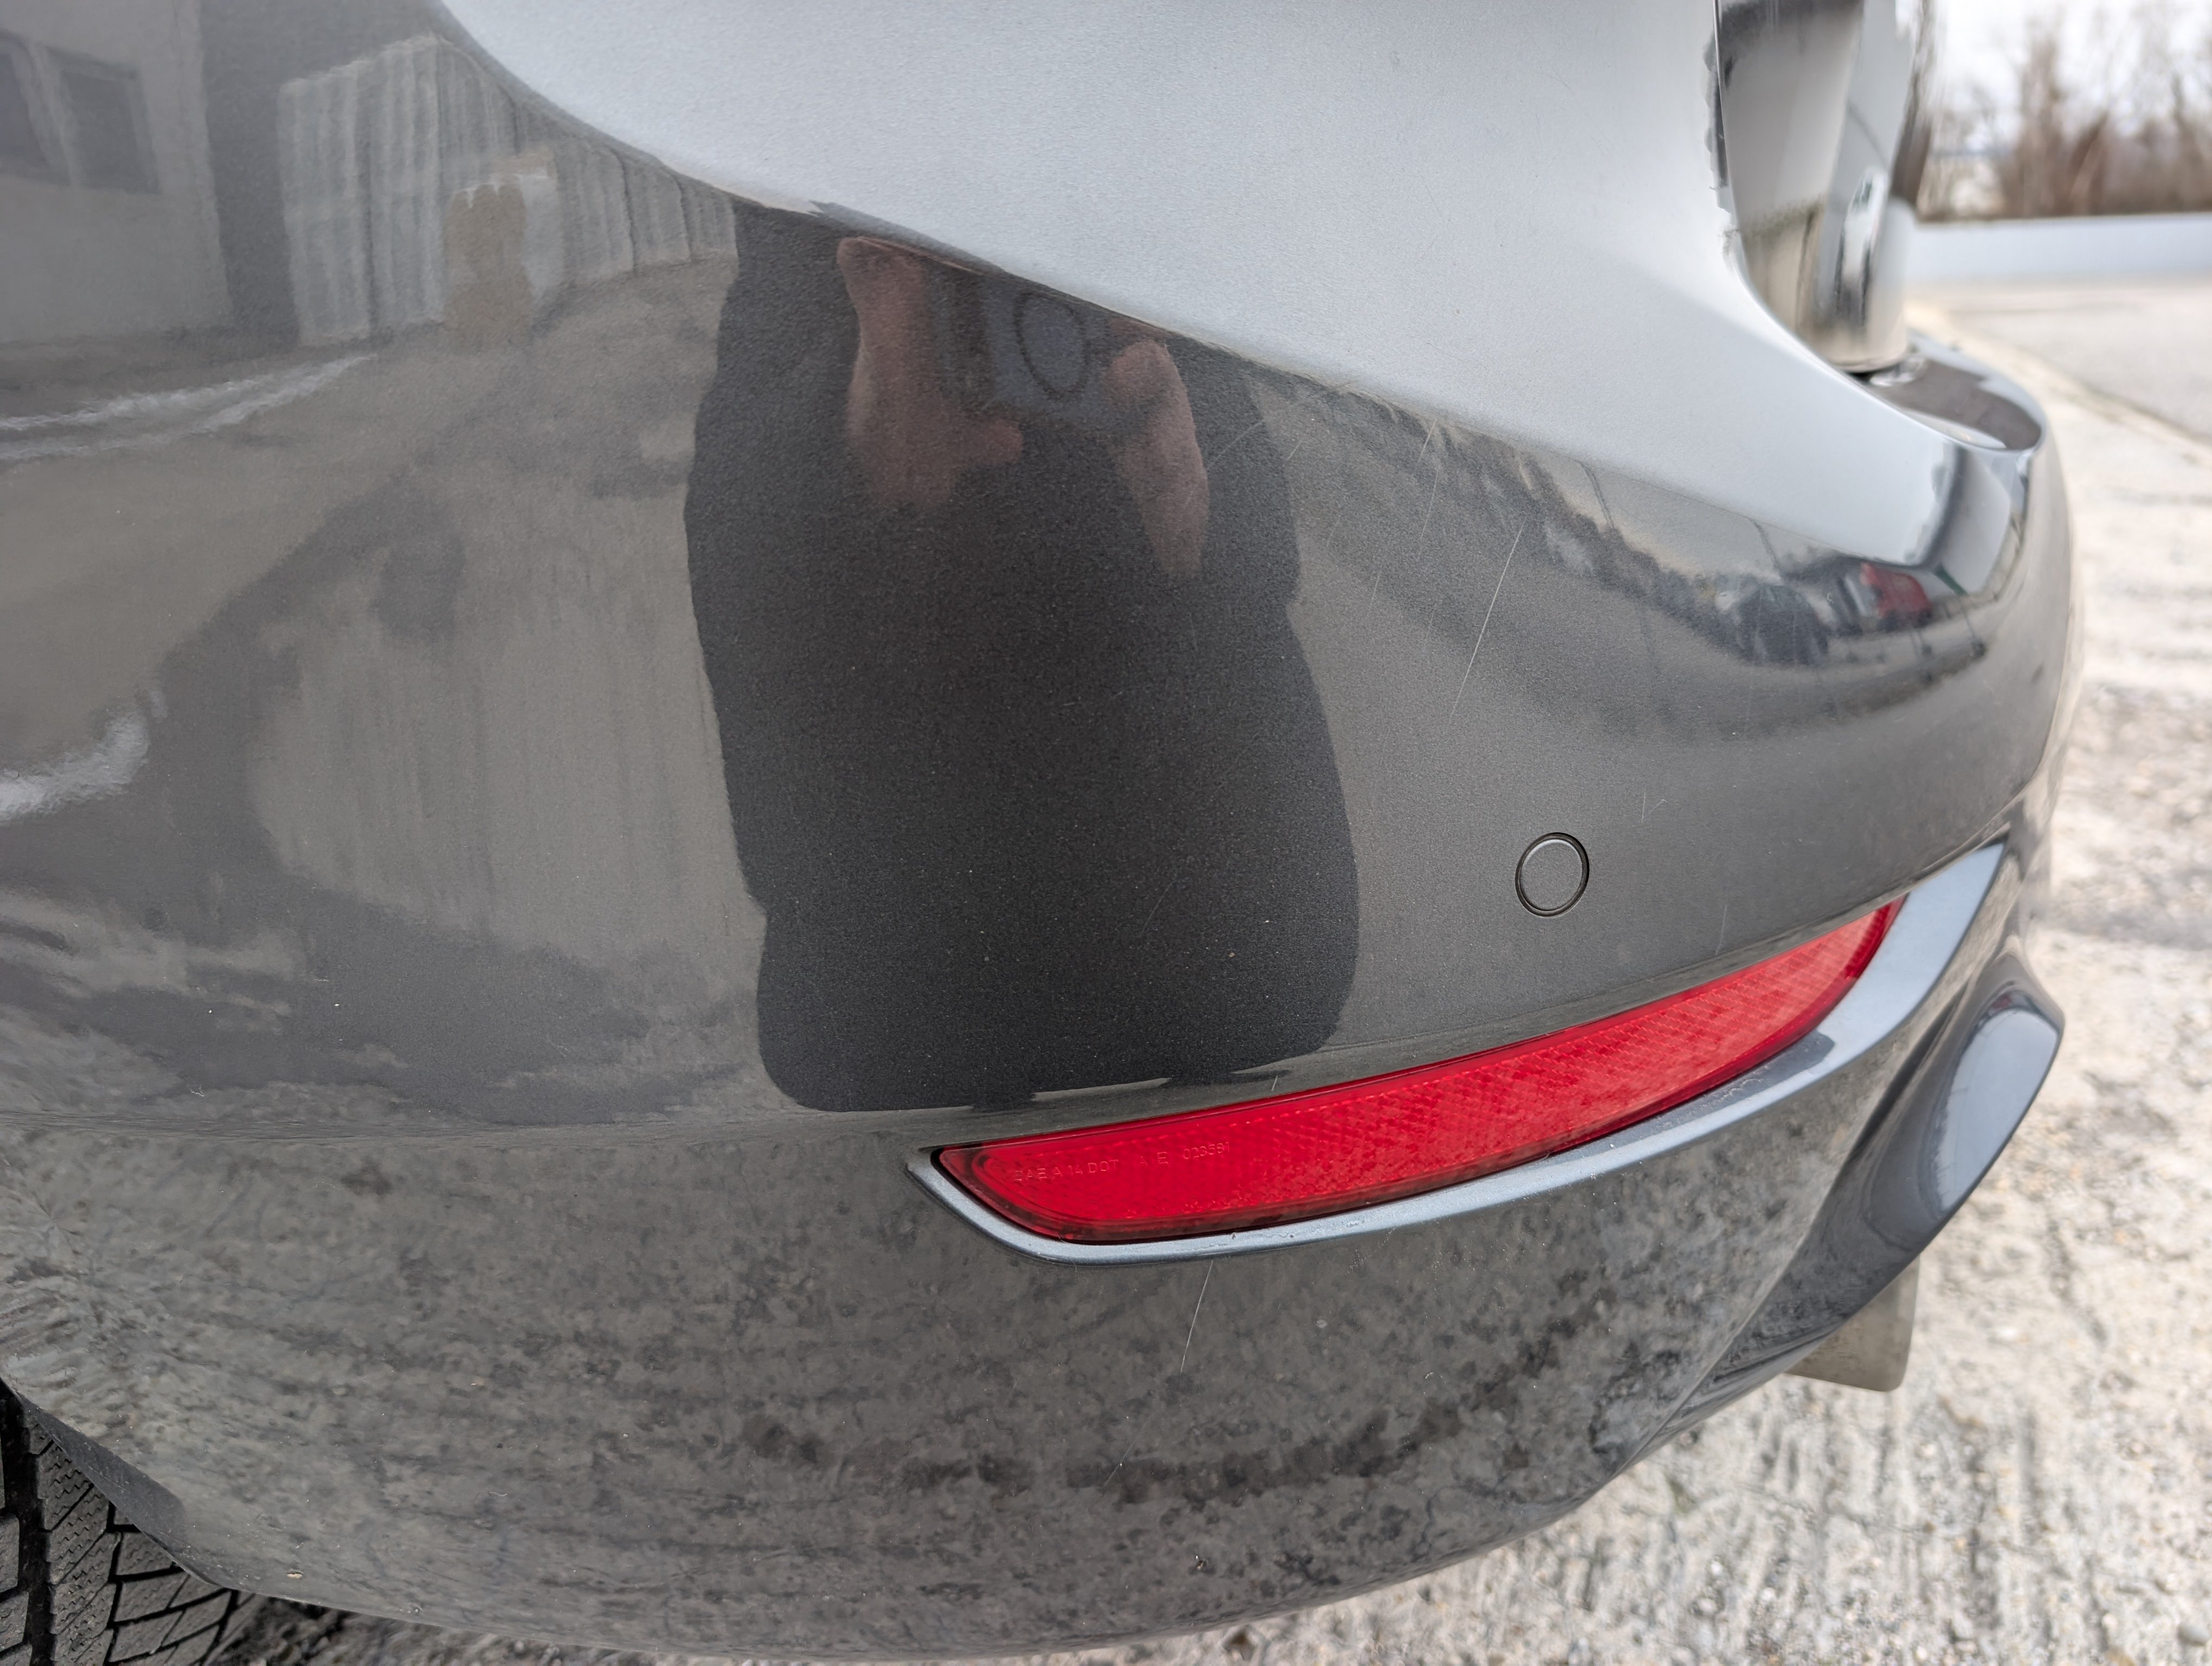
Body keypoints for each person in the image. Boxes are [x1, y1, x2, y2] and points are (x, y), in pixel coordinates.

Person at [684, 207, 1357, 1112]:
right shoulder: (822, 243)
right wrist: (848, 469)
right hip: (1094, 954)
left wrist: (1201, 522)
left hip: (1175, 937)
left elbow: (1256, 547)